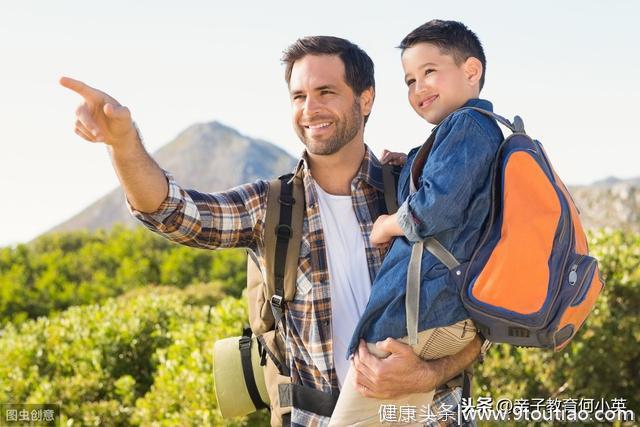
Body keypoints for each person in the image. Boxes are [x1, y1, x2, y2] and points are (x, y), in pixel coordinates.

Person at [60, 35, 482, 426]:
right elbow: (174, 213)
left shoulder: (418, 190)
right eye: (298, 96)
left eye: (326, 92)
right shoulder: (270, 207)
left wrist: (428, 372)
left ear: (365, 99)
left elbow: (488, 314)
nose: (310, 108)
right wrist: (123, 143)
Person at [328, 20, 501, 426]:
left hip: (417, 321)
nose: (418, 88)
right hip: (444, 318)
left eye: (429, 72)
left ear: (471, 71)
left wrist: (387, 225)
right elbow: (459, 192)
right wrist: (410, 164)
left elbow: (434, 209)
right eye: (409, 80)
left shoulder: (467, 125)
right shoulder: (470, 133)